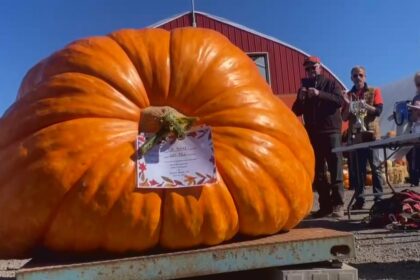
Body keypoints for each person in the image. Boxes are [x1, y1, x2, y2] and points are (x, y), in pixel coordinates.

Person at [292, 56, 345, 218]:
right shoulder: (304, 87)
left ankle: (338, 205)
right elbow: (296, 111)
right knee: (319, 172)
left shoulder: (330, 84)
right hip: (313, 134)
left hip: (331, 132)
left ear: (319, 67)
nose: (310, 71)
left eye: (313, 67)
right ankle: (325, 206)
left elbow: (338, 101)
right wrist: (301, 98)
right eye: (307, 68)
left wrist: (319, 94)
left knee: (335, 168)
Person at [342, 66, 385, 209]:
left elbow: (378, 111)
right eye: (355, 76)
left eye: (360, 75)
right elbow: (343, 117)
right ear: (351, 78)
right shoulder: (348, 95)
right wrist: (348, 105)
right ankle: (360, 199)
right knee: (358, 170)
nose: (358, 78)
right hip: (357, 137)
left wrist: (364, 105)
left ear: (365, 76)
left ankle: (378, 199)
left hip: (372, 135)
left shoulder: (374, 91)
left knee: (376, 168)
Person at [406, 72, 420, 186]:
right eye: (418, 84)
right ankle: (415, 178)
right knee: (415, 154)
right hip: (417, 130)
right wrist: (414, 113)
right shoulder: (415, 98)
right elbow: (412, 119)